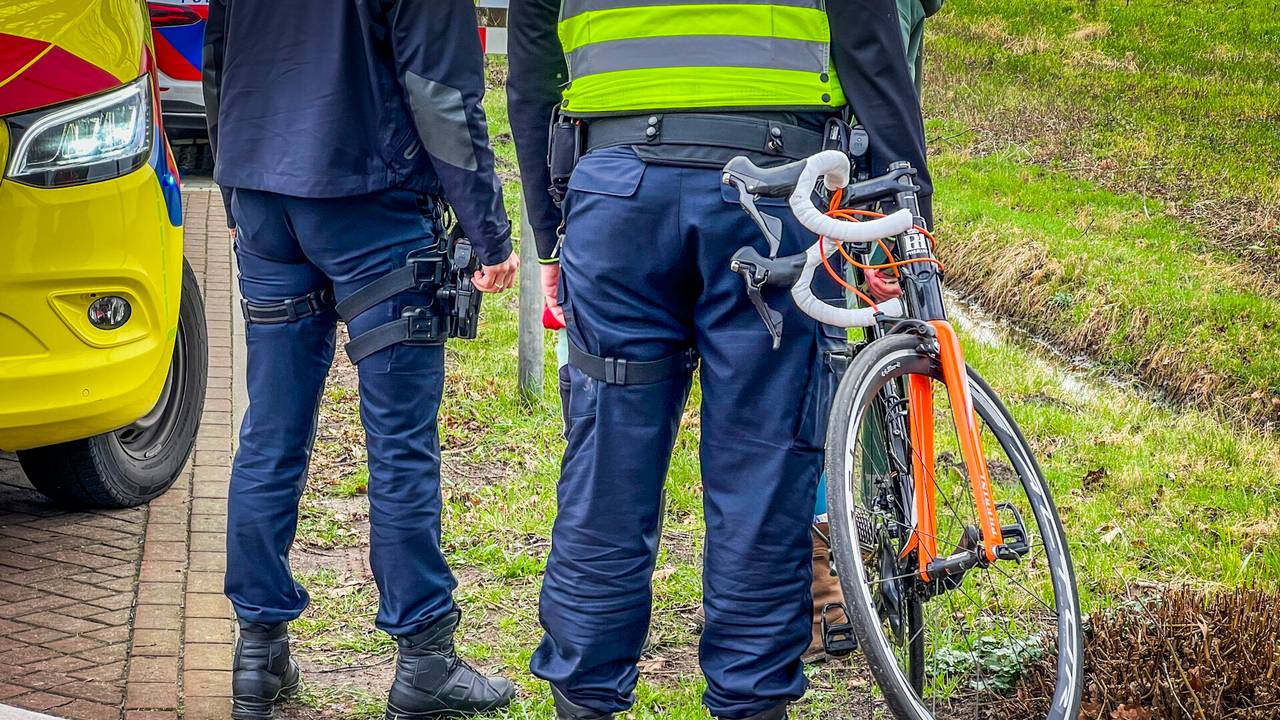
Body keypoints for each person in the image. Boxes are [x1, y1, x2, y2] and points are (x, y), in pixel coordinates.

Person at [507, 1, 933, 718]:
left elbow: (529, 58)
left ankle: (583, 699)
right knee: (764, 470)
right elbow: (872, 44)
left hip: (614, 193)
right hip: (772, 193)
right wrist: (908, 224)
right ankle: (750, 701)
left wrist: (550, 232)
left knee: (606, 465)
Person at [203, 2, 518, 718]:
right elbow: (440, 93)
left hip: (263, 197)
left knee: (270, 429)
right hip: (368, 201)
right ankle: (425, 660)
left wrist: (234, 179)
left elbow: (218, 55)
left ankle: (259, 653)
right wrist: (489, 232)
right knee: (400, 443)